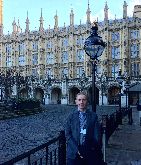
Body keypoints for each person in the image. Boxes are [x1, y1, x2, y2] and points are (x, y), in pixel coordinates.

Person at [65, 92, 105, 165]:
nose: (81, 102)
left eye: (84, 100)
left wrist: (87, 149)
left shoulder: (93, 116)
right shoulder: (71, 116)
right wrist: (77, 149)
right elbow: (68, 134)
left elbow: (96, 135)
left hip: (89, 152)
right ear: (76, 101)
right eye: (79, 100)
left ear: (87, 101)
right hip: (73, 153)